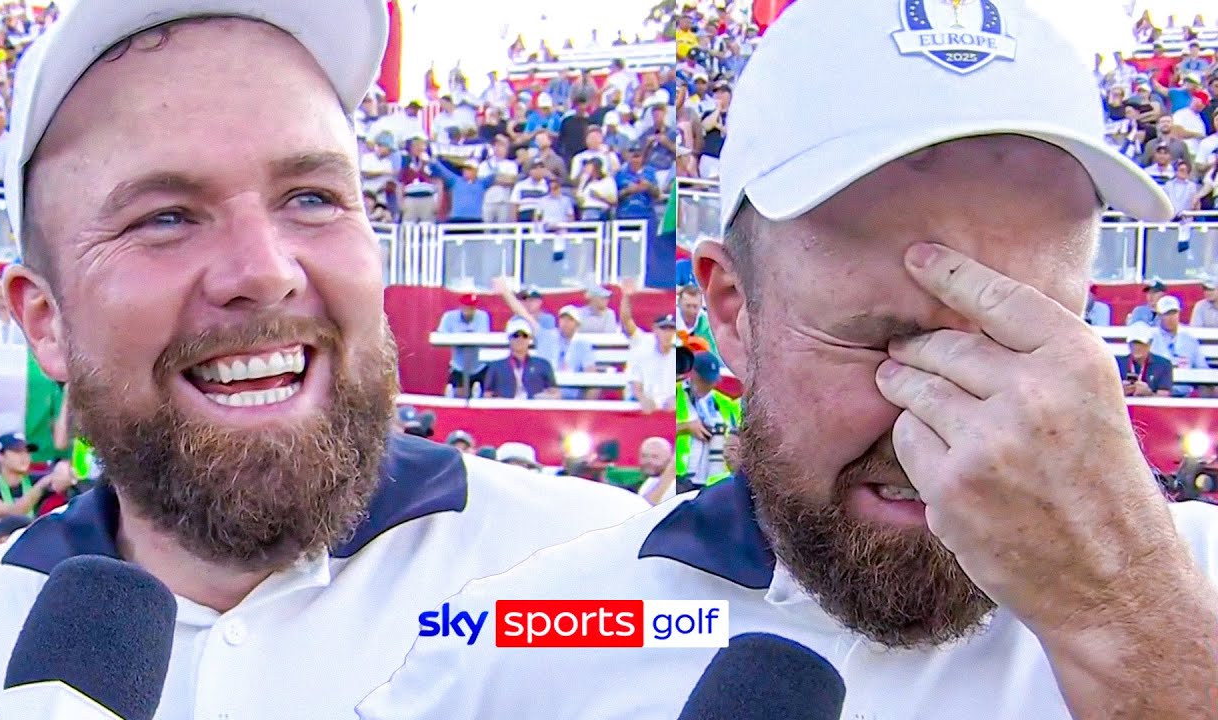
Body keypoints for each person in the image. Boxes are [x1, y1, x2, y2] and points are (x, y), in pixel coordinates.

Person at [357, 2, 1218, 718]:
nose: (952, 415)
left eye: (1019, 337)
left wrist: (1131, 622)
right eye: (881, 337)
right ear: (732, 311)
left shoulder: (1196, 586)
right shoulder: (529, 640)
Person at [0, 4, 648, 718]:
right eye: (165, 218)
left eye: (312, 198)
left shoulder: (613, 579)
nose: (265, 270)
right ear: (44, 321)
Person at [676, 350, 741, 487]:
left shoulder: (726, 403)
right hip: (680, 478)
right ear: (693, 374)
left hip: (715, 481)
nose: (709, 385)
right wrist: (686, 426)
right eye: (704, 380)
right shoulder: (675, 395)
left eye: (712, 381)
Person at [0, 433, 56, 534]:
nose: (24, 456)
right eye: (17, 452)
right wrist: (41, 486)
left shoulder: (34, 480)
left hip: (27, 542)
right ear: (0, 456)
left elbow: (60, 479)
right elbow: (14, 512)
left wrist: (63, 471)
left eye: (27, 452)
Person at [481, 319, 559, 400]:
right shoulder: (496, 366)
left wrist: (539, 397)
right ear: (509, 338)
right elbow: (487, 394)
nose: (520, 339)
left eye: (524, 335)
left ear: (529, 339)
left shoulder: (543, 364)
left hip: (535, 410)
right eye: (516, 335)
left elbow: (556, 394)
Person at [1151, 295, 1210, 397]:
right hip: (1157, 393)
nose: (1170, 317)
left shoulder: (1189, 339)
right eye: (1166, 314)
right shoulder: (1151, 339)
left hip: (1185, 392)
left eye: (1173, 313)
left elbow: (1202, 368)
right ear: (1159, 316)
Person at [436, 293, 491, 398]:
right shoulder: (449, 317)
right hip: (458, 365)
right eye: (467, 306)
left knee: (480, 396)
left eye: (473, 307)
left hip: (478, 365)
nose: (470, 310)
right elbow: (440, 336)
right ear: (461, 306)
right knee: (455, 395)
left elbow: (482, 337)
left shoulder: (482, 316)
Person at [1120, 322, 1174, 397]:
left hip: (1152, 408)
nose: (1137, 347)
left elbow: (1164, 397)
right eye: (1134, 343)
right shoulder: (1118, 364)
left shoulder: (1163, 365)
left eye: (1141, 343)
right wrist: (1119, 392)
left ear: (1150, 344)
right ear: (1129, 344)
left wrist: (1149, 394)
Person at [634, 437, 674, 505]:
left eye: (655, 457)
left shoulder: (674, 486)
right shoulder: (649, 481)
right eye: (644, 456)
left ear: (669, 459)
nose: (648, 461)